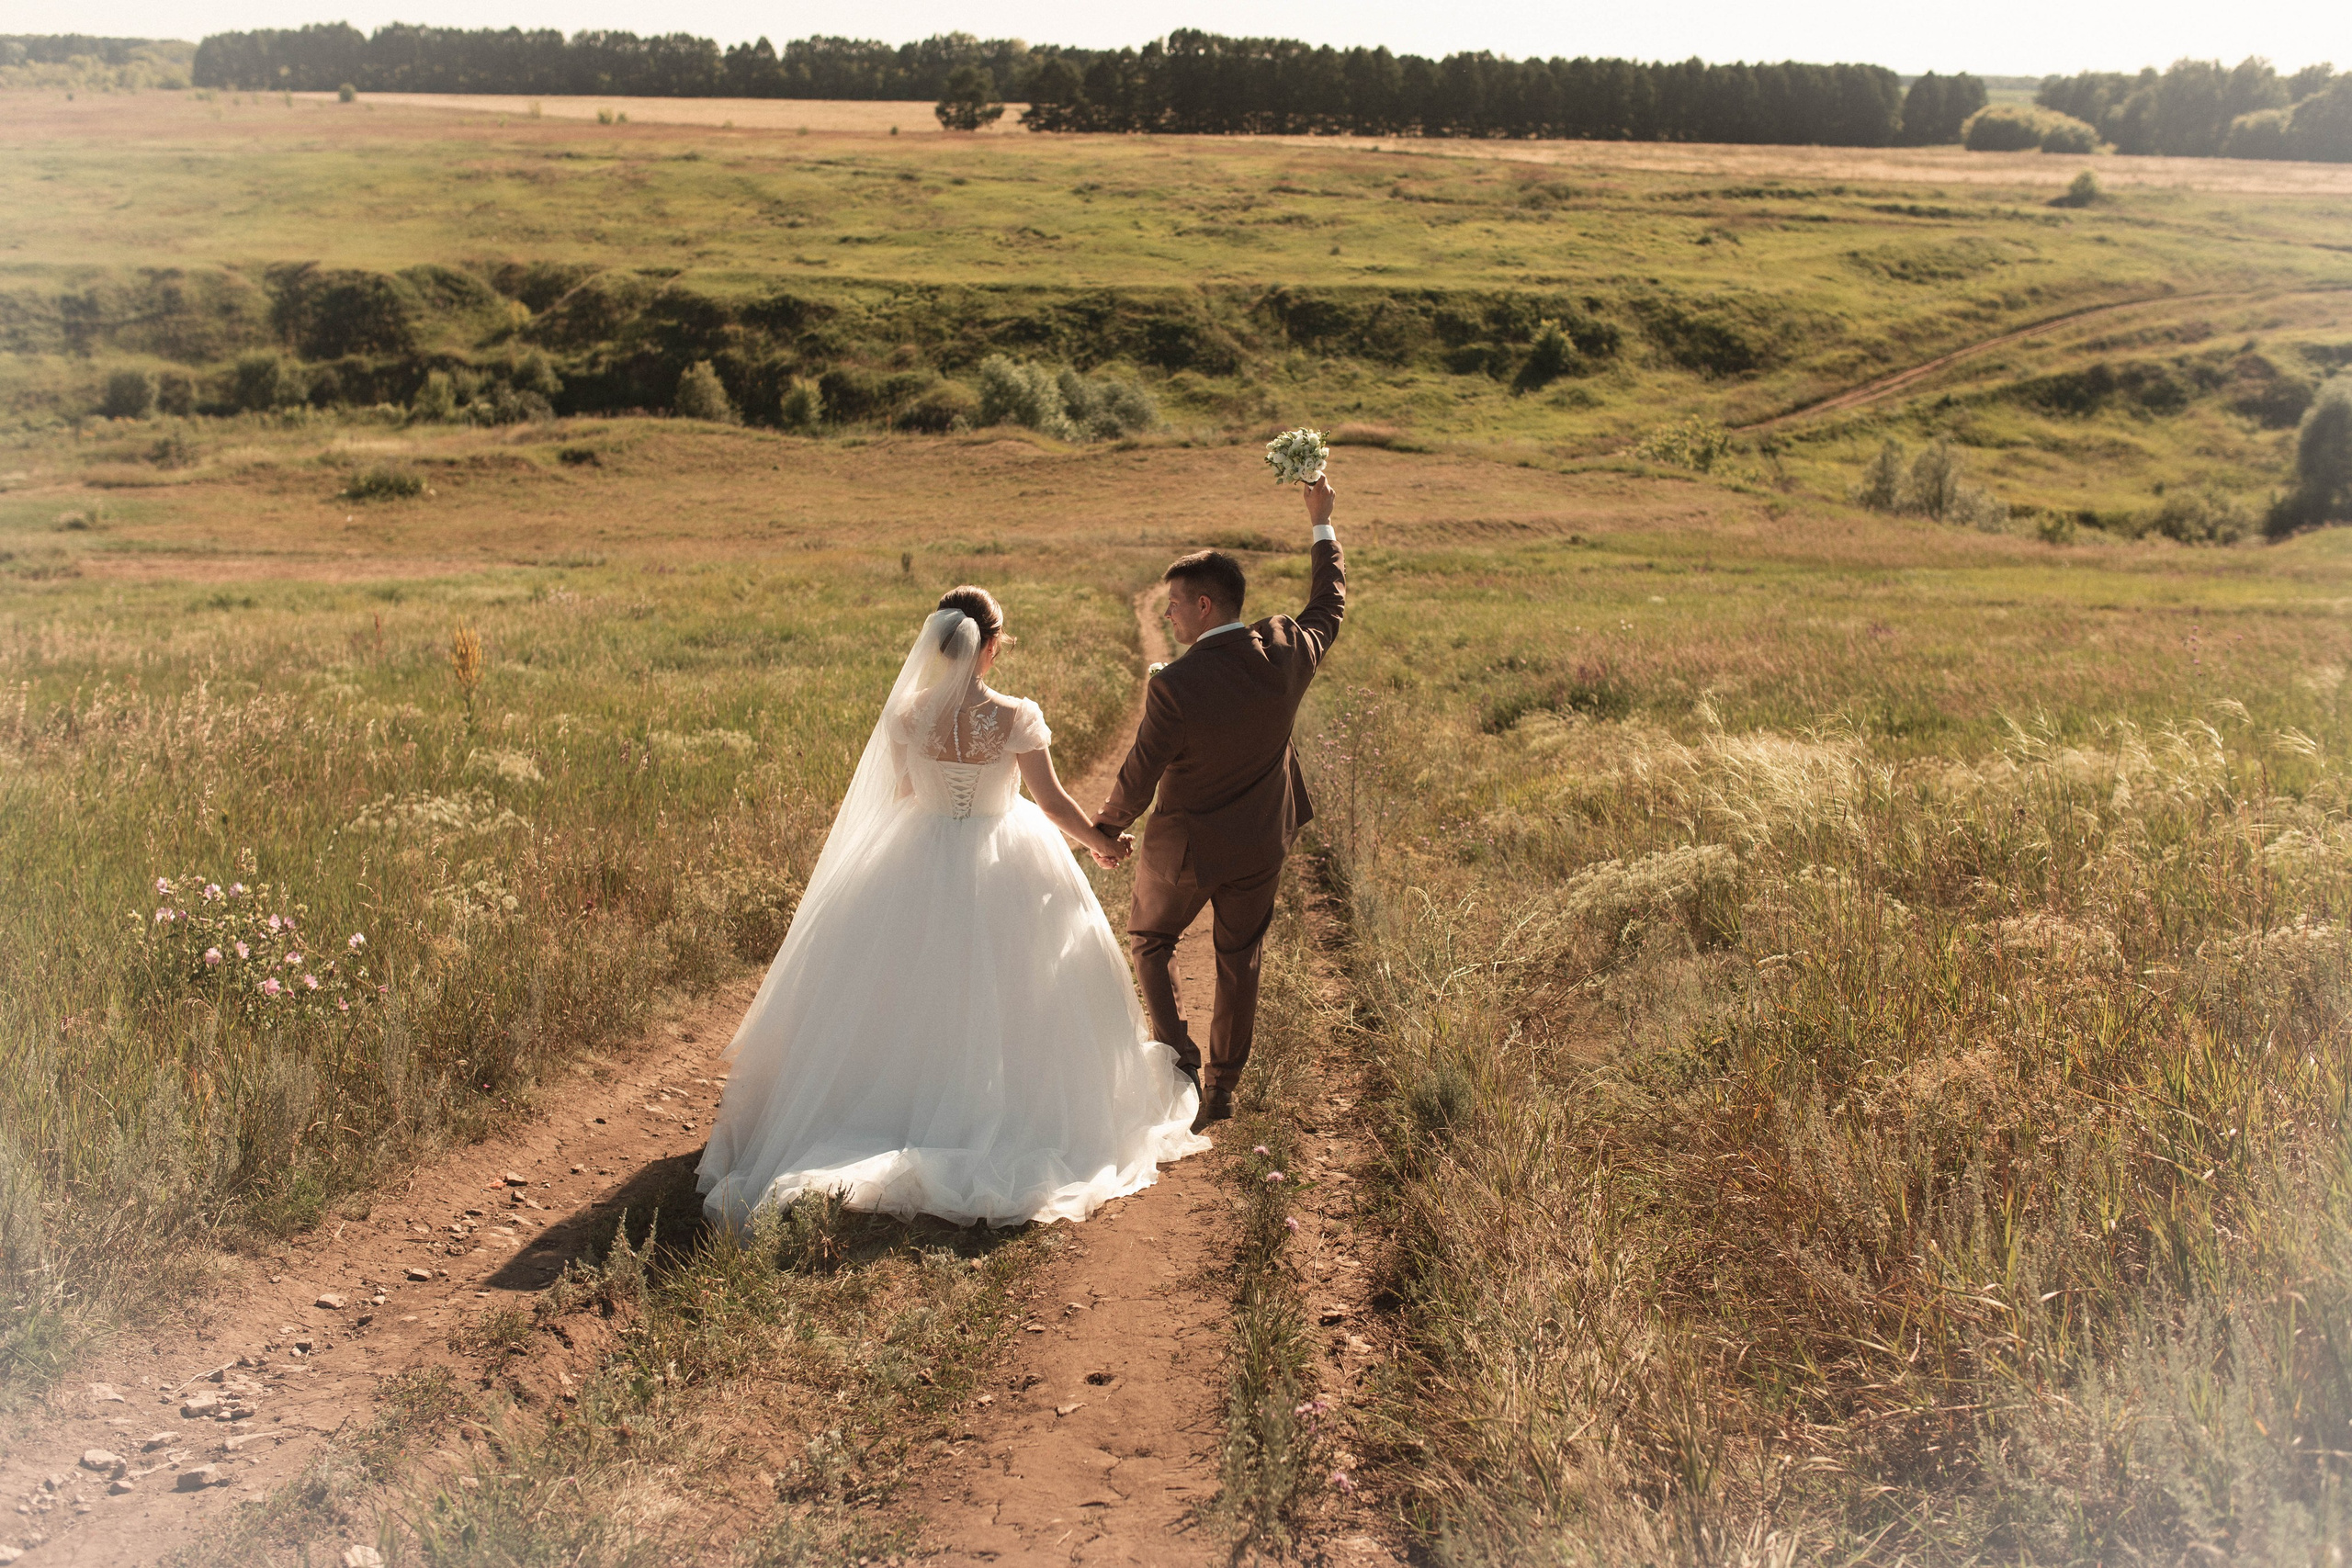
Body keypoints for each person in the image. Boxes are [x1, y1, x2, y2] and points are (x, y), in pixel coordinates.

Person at [697, 586, 1207, 1229]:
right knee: (1014, 985)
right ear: (990, 646)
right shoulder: (1015, 715)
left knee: (902, 987)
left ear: (940, 646)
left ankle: (890, 1105)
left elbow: (902, 791)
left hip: (917, 847)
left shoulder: (908, 714)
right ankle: (992, 1105)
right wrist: (1101, 842)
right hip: (1004, 852)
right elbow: (1051, 802)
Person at [1094, 475, 1345, 1134]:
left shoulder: (1176, 686)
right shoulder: (1287, 653)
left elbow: (1140, 773)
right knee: (1240, 959)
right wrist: (1321, 523)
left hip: (1185, 852)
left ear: (1204, 606)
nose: (1168, 616)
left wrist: (1106, 829)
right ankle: (1223, 1085)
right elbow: (1329, 605)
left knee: (1151, 939)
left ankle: (1178, 1057)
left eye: (1174, 605)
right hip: (1261, 843)